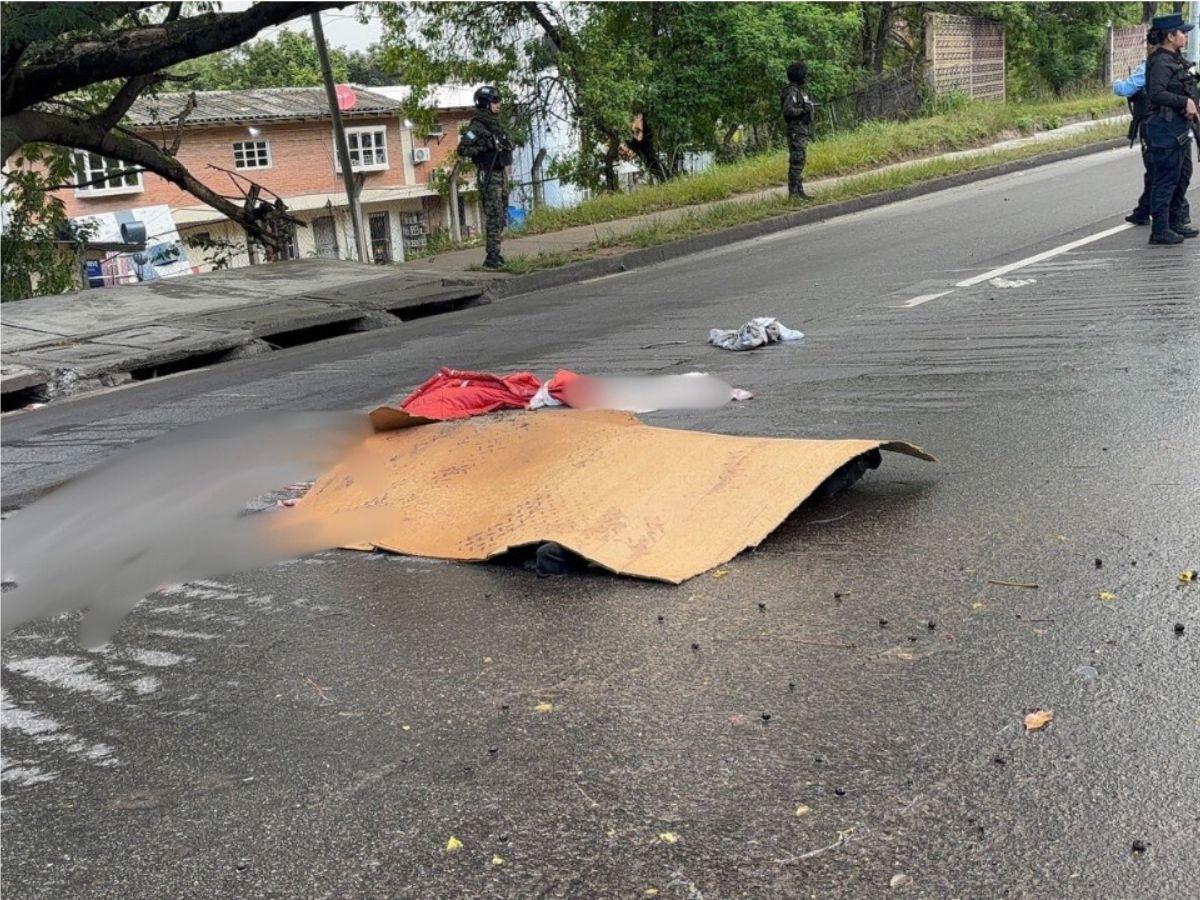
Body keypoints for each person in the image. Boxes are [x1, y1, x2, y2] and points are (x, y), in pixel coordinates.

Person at [1143, 13, 1198, 245]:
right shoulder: (1160, 62)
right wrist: (1184, 102)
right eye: (1182, 32)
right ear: (1170, 36)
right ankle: (1160, 229)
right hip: (1165, 129)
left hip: (1179, 128)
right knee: (1166, 179)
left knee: (1182, 175)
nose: (1185, 36)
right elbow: (1156, 93)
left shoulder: (1175, 59)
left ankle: (1175, 221)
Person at [458, 85, 514, 269]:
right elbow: (463, 149)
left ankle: (496, 250)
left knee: (502, 212)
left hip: (501, 172)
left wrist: (506, 143)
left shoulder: (496, 124)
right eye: (495, 101)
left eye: (499, 101)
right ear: (485, 103)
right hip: (489, 173)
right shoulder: (476, 126)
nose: (499, 104)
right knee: (494, 213)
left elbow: (506, 142)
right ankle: (492, 254)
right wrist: (484, 147)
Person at [1112, 47, 1154, 225]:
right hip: (1164, 124)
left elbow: (1124, 89)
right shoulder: (1175, 63)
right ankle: (1144, 210)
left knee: (1155, 170)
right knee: (1160, 170)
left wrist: (1117, 81)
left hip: (1150, 123)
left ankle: (1151, 212)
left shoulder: (1148, 66)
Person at [780, 61, 815, 199]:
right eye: (805, 74)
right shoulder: (792, 91)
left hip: (801, 130)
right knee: (796, 161)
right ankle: (794, 193)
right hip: (796, 131)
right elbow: (788, 110)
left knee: (800, 161)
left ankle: (799, 191)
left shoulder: (798, 91)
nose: (806, 77)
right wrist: (803, 110)